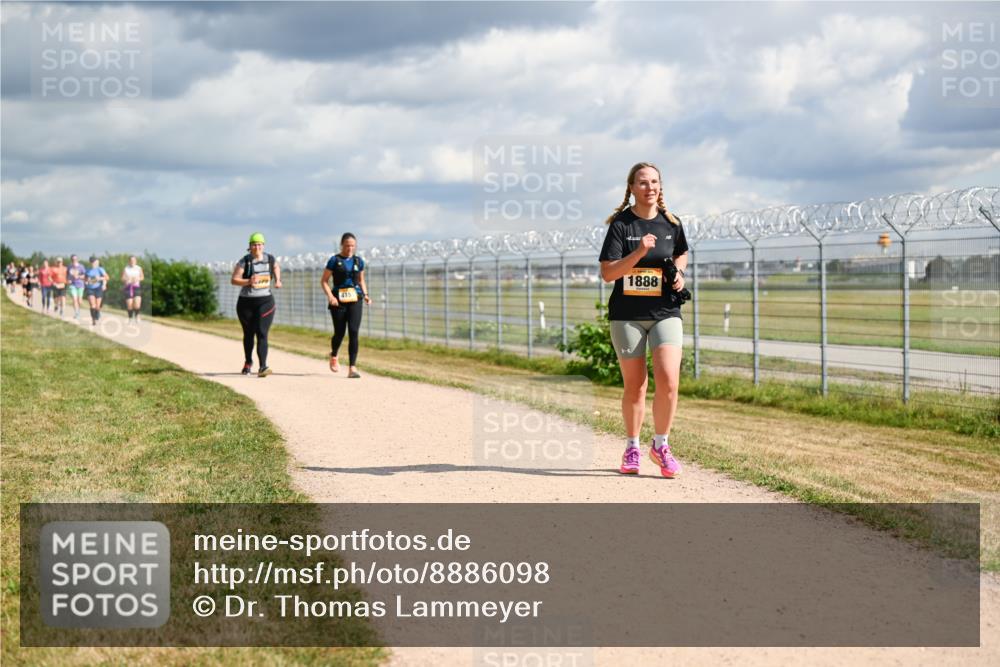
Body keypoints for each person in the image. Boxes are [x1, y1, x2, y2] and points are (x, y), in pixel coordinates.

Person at [598, 162, 689, 479]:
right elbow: (608, 273)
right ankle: (632, 447)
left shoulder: (671, 222)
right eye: (643, 182)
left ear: (660, 187)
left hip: (665, 311)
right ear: (632, 188)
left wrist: (679, 272)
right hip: (627, 316)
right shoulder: (621, 225)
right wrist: (638, 252)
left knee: (668, 380)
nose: (650, 187)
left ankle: (661, 445)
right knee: (635, 386)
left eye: (654, 182)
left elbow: (681, 253)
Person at [230, 232, 282, 377]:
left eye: (259, 244)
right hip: (246, 302)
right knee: (248, 334)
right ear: (250, 246)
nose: (257, 247)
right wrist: (248, 281)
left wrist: (278, 280)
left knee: (262, 332)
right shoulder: (244, 261)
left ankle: (263, 367)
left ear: (263, 245)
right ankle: (248, 362)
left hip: (265, 301)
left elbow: (276, 267)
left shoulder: (270, 259)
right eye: (254, 244)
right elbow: (234, 280)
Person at [321, 232, 371, 378]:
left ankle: (352, 368)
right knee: (340, 332)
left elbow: (361, 280)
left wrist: (366, 295)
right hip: (339, 301)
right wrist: (330, 297)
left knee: (354, 332)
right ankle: (334, 354)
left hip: (356, 299)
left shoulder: (358, 261)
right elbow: (324, 281)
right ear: (342, 245)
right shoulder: (334, 260)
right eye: (347, 245)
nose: (350, 248)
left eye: (353, 246)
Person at [84, 256, 109, 325]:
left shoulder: (100, 269)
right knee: (92, 305)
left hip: (98, 288)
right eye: (93, 262)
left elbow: (107, 277)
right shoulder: (87, 270)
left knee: (97, 306)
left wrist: (100, 279)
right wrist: (86, 281)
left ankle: (97, 313)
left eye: (95, 262)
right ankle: (93, 319)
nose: (94, 264)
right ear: (90, 263)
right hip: (90, 288)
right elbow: (85, 279)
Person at [121, 255, 145, 323]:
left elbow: (142, 277)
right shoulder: (126, 268)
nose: (132, 262)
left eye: (134, 260)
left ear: (136, 261)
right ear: (129, 261)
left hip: (136, 287)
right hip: (128, 287)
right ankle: (130, 318)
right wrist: (127, 279)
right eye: (131, 260)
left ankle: (137, 316)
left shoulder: (139, 268)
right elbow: (122, 278)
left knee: (137, 303)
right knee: (129, 304)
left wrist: (137, 279)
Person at [67, 254, 86, 320]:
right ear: (71, 260)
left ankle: (79, 311)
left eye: (75, 259)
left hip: (80, 284)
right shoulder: (69, 266)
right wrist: (68, 280)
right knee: (74, 299)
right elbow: (68, 275)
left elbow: (84, 276)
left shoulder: (81, 266)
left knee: (79, 301)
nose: (74, 260)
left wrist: (79, 276)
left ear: (77, 259)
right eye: (72, 259)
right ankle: (76, 313)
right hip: (73, 285)